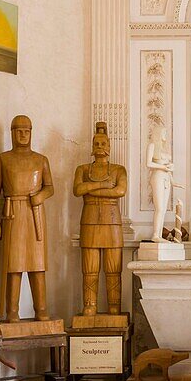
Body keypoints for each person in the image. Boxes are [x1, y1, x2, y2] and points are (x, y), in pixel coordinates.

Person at [0, 115, 55, 322]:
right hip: (13, 215)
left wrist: (40, 196)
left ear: (31, 132)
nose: (23, 134)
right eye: (19, 130)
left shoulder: (41, 159)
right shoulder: (2, 159)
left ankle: (41, 310)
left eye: (26, 130)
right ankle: (12, 311)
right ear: (12, 133)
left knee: (37, 264)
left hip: (35, 215)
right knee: (14, 265)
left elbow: (50, 187)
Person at [73, 122, 127, 316]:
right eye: (96, 143)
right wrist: (105, 186)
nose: (100, 147)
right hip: (89, 220)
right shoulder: (82, 169)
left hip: (112, 221)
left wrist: (91, 188)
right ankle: (90, 304)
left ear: (109, 146)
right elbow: (77, 190)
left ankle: (114, 305)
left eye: (104, 143)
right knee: (90, 268)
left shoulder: (119, 169)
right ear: (92, 146)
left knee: (113, 268)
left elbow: (120, 191)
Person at [147, 123, 175, 242]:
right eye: (164, 133)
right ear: (158, 134)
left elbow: (168, 169)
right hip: (157, 177)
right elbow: (148, 164)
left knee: (163, 209)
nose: (165, 135)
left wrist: (174, 181)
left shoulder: (163, 149)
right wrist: (163, 167)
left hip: (166, 179)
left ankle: (158, 235)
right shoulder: (152, 146)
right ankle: (155, 235)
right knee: (159, 207)